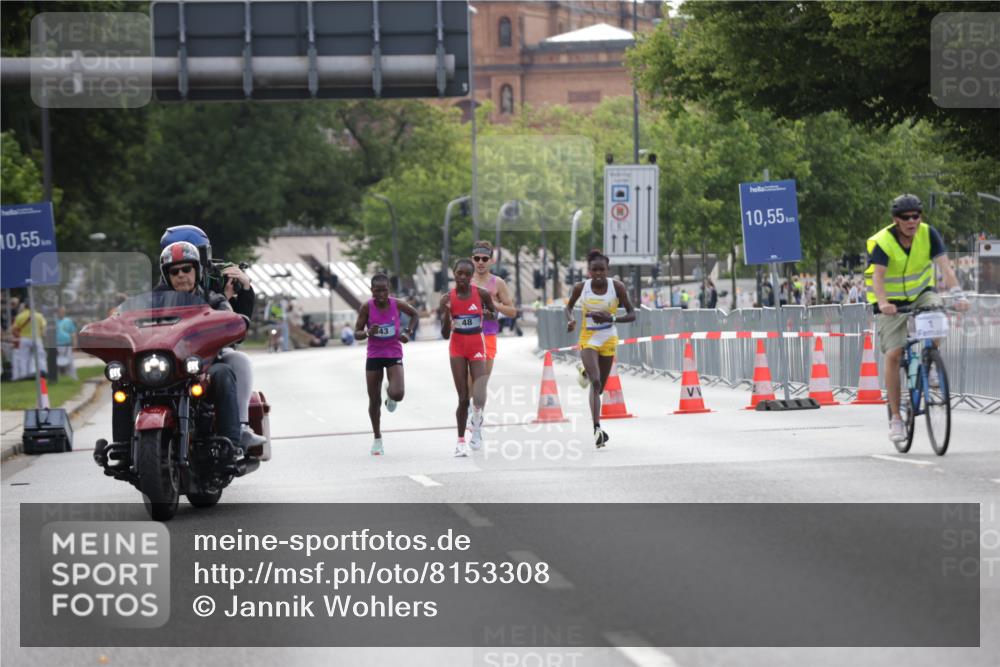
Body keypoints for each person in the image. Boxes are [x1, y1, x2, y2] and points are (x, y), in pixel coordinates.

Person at [864, 194, 969, 444]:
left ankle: (931, 361)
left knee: (937, 312)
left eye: (916, 216)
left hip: (922, 294)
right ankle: (896, 418)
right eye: (906, 217)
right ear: (896, 220)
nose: (912, 221)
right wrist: (883, 303)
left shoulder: (928, 234)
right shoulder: (883, 241)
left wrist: (958, 295)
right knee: (894, 353)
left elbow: (945, 267)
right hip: (890, 302)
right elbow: (878, 277)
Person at [159, 225, 265, 450]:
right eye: (174, 270)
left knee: (235, 363)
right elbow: (132, 322)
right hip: (166, 362)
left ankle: (239, 430)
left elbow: (235, 323)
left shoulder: (213, 295)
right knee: (123, 383)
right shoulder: (154, 301)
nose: (181, 275)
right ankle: (124, 444)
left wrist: (242, 292)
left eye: (187, 268)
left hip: (206, 358)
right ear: (165, 271)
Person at [564, 249, 636, 448]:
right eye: (594, 270)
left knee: (600, 387)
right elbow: (568, 307)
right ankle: (597, 429)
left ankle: (584, 371)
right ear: (588, 271)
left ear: (607, 269)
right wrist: (570, 320)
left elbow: (632, 314)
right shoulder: (581, 287)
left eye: (601, 270)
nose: (598, 274)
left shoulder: (617, 287)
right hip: (589, 338)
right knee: (596, 383)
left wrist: (611, 318)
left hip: (608, 339)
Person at [354, 274, 419, 456]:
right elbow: (356, 333)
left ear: (389, 290)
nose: (381, 294)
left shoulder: (396, 304)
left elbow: (414, 314)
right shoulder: (367, 307)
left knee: (398, 394)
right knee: (374, 400)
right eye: (377, 291)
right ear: (371, 291)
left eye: (384, 290)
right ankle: (377, 439)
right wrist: (367, 333)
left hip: (393, 352)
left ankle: (390, 395)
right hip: (374, 355)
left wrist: (408, 332)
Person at [439, 258, 497, 457]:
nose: (462, 277)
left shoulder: (480, 294)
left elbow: (494, 313)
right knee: (463, 398)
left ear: (472, 277)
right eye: (459, 273)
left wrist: (490, 314)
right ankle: (460, 441)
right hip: (457, 347)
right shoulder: (447, 298)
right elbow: (445, 333)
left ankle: (477, 421)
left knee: (479, 393)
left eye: (466, 274)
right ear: (454, 274)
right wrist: (447, 314)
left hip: (476, 345)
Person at [468, 241, 518, 433]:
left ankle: (477, 416)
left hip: (488, 336)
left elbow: (512, 311)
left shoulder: (497, 283)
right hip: (467, 335)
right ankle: (470, 412)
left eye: (484, 259)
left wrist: (494, 305)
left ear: (491, 260)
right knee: (468, 380)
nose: (480, 262)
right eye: (477, 258)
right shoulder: (465, 280)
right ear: (472, 259)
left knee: (481, 380)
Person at [11, 301, 47, 380]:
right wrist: (41, 335)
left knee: (23, 357)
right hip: (36, 338)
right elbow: (43, 328)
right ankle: (43, 372)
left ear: (25, 307)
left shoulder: (20, 316)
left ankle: (24, 375)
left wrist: (20, 335)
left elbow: (13, 329)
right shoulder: (39, 316)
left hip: (24, 338)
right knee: (40, 356)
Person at [55, 306, 78, 380]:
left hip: (67, 345)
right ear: (57, 312)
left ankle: (73, 377)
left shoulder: (68, 321)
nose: (61, 313)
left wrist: (74, 344)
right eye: (60, 311)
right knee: (56, 363)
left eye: (63, 311)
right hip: (56, 345)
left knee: (70, 362)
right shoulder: (54, 321)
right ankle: (56, 377)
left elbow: (73, 333)